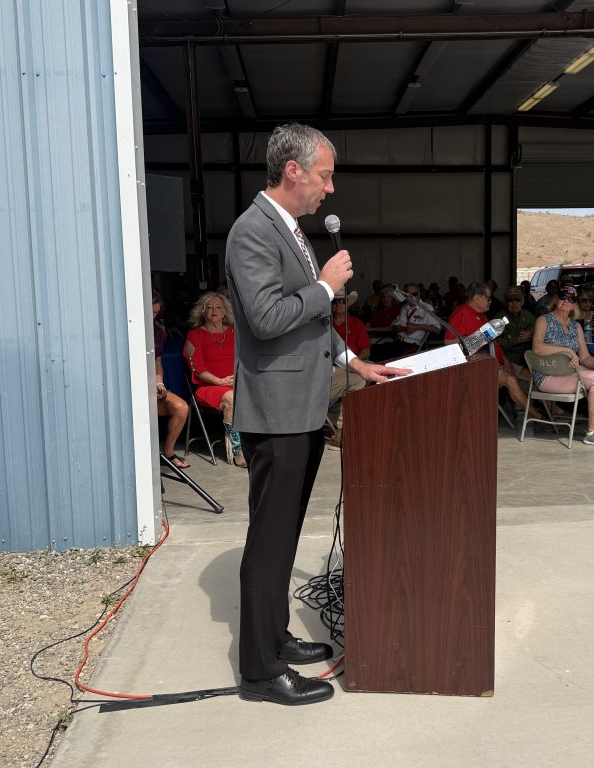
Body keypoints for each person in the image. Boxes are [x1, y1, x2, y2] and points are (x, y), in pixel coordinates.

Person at [225, 123, 408, 706]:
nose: (331, 188)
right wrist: (326, 288)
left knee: (283, 537)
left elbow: (308, 322)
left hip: (302, 408)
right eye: (325, 175)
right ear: (294, 170)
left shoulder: (291, 231)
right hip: (276, 412)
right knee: (270, 541)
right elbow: (265, 318)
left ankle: (273, 637)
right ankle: (258, 671)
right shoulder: (252, 231)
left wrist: (355, 361)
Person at [532, 285, 594, 448]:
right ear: (556, 299)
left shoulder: (575, 326)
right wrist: (566, 350)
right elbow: (537, 347)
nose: (566, 301)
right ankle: (592, 431)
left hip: (571, 372)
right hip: (548, 375)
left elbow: (585, 356)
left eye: (571, 299)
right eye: (563, 296)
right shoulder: (544, 320)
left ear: (574, 304)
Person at [446, 281, 540, 420]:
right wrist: (476, 339)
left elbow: (494, 343)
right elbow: (448, 342)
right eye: (488, 298)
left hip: (497, 361)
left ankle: (554, 412)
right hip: (479, 367)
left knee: (535, 377)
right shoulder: (461, 313)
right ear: (477, 297)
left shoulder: (482, 314)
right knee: (510, 380)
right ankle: (537, 417)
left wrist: (506, 361)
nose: (491, 302)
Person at [183, 292, 245, 469]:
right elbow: (198, 369)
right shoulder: (194, 335)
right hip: (209, 387)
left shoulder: (235, 333)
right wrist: (220, 381)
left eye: (218, 307)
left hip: (237, 383)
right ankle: (238, 450)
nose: (214, 311)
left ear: (225, 312)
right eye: (209, 307)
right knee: (232, 398)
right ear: (202, 312)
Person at [152, 290, 190, 468]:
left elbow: (157, 361)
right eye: (150, 312)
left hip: (152, 385)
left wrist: (159, 384)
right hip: (132, 389)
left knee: (181, 408)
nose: (153, 316)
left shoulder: (157, 332)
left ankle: (168, 453)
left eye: (156, 313)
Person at [326, 290, 369, 449]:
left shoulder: (356, 323)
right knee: (357, 381)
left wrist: (355, 363)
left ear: (348, 304)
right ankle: (341, 432)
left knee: (362, 375)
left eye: (342, 301)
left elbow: (366, 350)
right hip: (328, 372)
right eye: (334, 301)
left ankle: (344, 425)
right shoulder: (324, 323)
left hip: (351, 365)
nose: (338, 304)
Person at [372, 281, 439, 361]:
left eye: (415, 294)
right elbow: (394, 326)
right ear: (405, 295)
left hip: (411, 344)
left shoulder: (426, 308)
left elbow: (437, 329)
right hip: (397, 342)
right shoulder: (405, 307)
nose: (412, 297)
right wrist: (401, 328)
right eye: (409, 295)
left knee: (387, 358)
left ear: (419, 294)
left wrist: (417, 326)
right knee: (372, 350)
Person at [497, 287, 535, 376]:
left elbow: (539, 331)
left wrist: (530, 335)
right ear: (506, 303)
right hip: (509, 359)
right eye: (511, 301)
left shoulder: (527, 315)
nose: (514, 303)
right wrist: (517, 339)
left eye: (517, 300)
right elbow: (496, 344)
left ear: (522, 302)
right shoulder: (498, 319)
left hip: (528, 357)